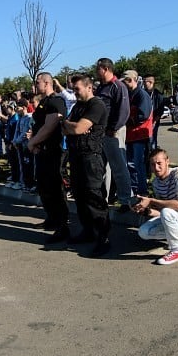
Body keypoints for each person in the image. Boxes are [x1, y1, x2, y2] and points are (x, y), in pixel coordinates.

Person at [61, 74, 111, 255]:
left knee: (94, 196)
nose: (74, 93)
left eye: (77, 89)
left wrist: (71, 126)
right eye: (73, 89)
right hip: (76, 155)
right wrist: (69, 125)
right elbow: (67, 127)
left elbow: (77, 128)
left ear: (89, 87)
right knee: (79, 195)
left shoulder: (96, 105)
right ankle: (88, 231)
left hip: (91, 157)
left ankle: (103, 237)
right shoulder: (78, 107)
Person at [135, 148, 178, 265]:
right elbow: (162, 212)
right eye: (152, 164)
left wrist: (151, 200)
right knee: (143, 232)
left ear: (167, 161)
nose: (156, 168)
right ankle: (177, 233)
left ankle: (177, 250)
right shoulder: (156, 182)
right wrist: (146, 211)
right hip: (172, 214)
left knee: (168, 211)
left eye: (159, 163)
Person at [27, 72, 70, 236]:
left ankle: (62, 225)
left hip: (53, 151)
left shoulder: (56, 101)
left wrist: (33, 142)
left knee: (55, 188)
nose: (35, 85)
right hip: (42, 150)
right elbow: (38, 124)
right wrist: (35, 142)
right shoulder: (43, 102)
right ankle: (51, 218)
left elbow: (49, 126)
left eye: (38, 82)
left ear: (47, 83)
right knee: (44, 186)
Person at [94, 58, 134, 212]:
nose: (96, 72)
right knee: (101, 168)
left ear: (105, 68)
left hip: (113, 132)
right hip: (101, 132)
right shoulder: (101, 88)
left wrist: (114, 128)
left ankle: (126, 200)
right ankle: (102, 199)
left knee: (119, 167)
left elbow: (124, 111)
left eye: (98, 68)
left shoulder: (118, 86)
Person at [121, 70, 154, 197]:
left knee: (137, 163)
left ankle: (142, 190)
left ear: (130, 80)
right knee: (131, 163)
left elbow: (143, 115)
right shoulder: (130, 94)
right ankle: (135, 189)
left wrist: (127, 119)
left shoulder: (141, 95)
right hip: (131, 135)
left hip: (139, 135)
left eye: (124, 81)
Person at [142, 75, 166, 150]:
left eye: (145, 82)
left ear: (151, 82)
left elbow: (160, 110)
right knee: (144, 141)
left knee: (152, 139)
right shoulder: (142, 93)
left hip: (154, 121)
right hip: (144, 121)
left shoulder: (158, 95)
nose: (144, 83)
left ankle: (152, 153)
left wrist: (154, 121)